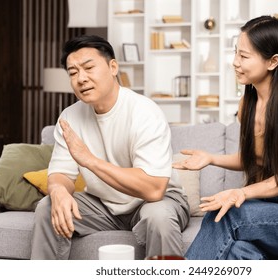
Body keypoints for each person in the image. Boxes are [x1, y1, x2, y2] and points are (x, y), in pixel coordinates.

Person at [173, 15, 278, 260]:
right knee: (239, 250)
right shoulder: (248, 103)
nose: (235, 62)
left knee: (230, 214)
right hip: (269, 207)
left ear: (273, 61)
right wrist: (210, 158)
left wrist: (242, 193)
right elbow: (251, 159)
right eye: (236, 53)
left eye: (244, 56)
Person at [31, 35, 190, 259]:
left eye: (88, 67)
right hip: (102, 206)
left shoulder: (144, 112)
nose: (81, 78)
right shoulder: (70, 117)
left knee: (159, 218)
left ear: (112, 67)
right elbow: (61, 174)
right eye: (73, 72)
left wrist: (90, 160)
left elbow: (153, 189)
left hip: (156, 201)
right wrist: (58, 191)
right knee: (47, 207)